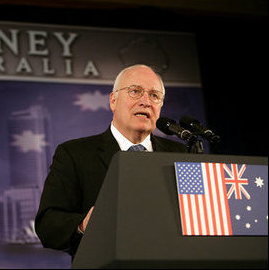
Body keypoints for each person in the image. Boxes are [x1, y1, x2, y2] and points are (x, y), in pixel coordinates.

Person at [35, 64, 187, 258]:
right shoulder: (75, 154)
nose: (145, 101)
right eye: (135, 92)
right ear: (113, 101)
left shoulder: (181, 154)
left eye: (154, 95)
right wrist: (85, 224)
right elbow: (48, 225)